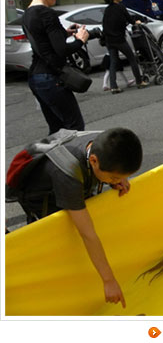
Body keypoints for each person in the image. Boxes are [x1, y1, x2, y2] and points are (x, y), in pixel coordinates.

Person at [15, 128, 143, 308]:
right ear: (94, 161)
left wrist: (117, 178)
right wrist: (109, 281)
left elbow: (107, 169)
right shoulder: (68, 174)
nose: (117, 181)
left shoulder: (105, 144)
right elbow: (87, 234)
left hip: (71, 179)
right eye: (114, 177)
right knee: (62, 238)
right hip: (41, 197)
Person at [23, 0, 89, 135]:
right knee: (74, 128)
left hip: (36, 77)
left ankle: (53, 153)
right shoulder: (47, 13)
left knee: (56, 129)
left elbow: (42, 42)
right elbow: (62, 50)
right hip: (52, 77)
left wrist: (63, 33)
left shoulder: (28, 13)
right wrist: (80, 40)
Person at [102, 0, 148, 94]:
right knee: (132, 58)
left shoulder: (107, 9)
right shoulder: (120, 7)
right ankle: (139, 81)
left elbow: (105, 24)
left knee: (113, 62)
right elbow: (130, 19)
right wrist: (136, 22)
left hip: (109, 40)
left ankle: (113, 86)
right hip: (119, 39)